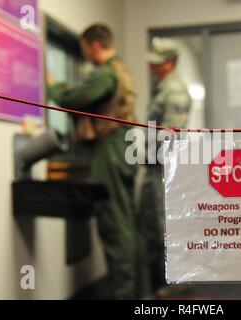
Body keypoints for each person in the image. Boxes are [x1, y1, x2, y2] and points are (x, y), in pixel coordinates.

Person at [48, 24, 149, 299]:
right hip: (123, 149)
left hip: (112, 151)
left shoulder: (105, 74)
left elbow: (74, 98)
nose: (85, 56)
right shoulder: (120, 69)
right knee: (129, 224)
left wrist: (54, 87)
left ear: (94, 45)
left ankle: (126, 294)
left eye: (84, 50)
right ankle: (141, 294)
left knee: (116, 227)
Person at [139, 38, 192, 297]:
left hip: (164, 167)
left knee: (165, 225)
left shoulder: (175, 92)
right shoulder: (161, 88)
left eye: (157, 62)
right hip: (154, 166)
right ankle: (160, 283)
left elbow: (169, 137)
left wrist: (148, 154)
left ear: (170, 63)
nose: (152, 66)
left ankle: (175, 284)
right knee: (152, 224)